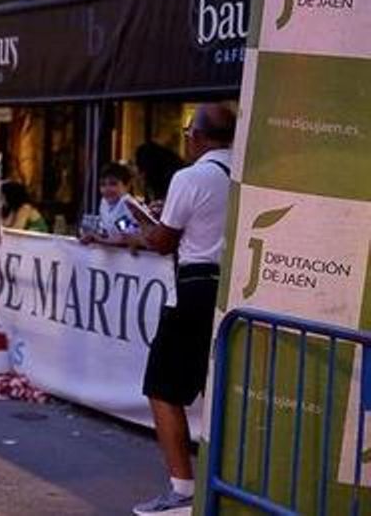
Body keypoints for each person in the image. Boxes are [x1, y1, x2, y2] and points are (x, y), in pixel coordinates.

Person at [130, 103, 236, 516]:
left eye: (188, 132)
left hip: (193, 288)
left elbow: (163, 242)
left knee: (162, 386)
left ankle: (181, 490)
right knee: (217, 385)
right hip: (231, 291)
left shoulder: (190, 176)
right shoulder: (241, 174)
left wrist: (145, 224)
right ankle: (217, 481)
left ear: (197, 136)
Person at [80, 162, 144, 251]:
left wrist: (97, 238)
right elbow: (107, 231)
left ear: (127, 186)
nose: (107, 189)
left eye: (113, 184)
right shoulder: (104, 203)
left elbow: (128, 237)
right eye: (102, 184)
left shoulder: (127, 205)